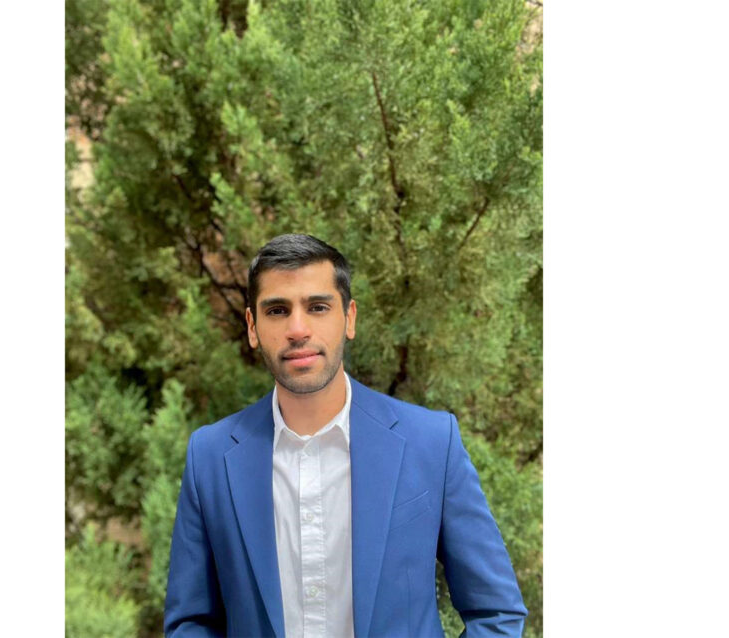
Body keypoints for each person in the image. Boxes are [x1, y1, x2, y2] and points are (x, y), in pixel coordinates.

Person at [164, 234, 527, 637]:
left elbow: (496, 612)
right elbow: (191, 622)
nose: (297, 329)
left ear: (349, 318)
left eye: (317, 307)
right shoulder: (209, 457)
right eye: (277, 310)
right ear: (252, 326)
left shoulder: (431, 443)